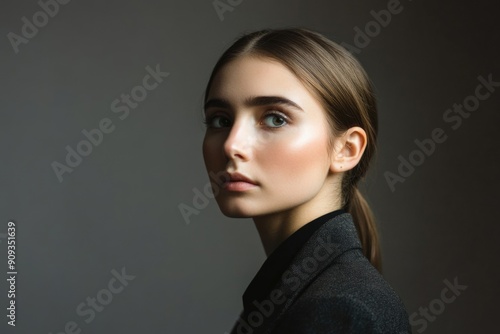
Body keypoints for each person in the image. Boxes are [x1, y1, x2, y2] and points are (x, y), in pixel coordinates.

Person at [202, 28, 411, 334]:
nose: (232, 145)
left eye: (275, 118)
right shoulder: (301, 295)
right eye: (221, 120)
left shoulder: (337, 310)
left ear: (346, 149)